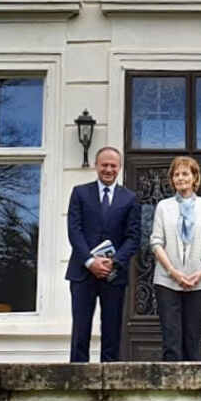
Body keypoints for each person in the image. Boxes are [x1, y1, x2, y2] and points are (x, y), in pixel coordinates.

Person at [65, 146, 140, 362]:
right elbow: (74, 230)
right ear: (96, 166)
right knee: (80, 329)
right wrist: (90, 261)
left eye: (113, 166)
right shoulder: (80, 193)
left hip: (113, 275)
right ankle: (78, 379)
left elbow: (133, 237)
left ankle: (109, 385)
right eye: (104, 165)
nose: (108, 169)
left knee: (112, 330)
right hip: (82, 273)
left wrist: (113, 262)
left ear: (119, 168)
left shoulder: (130, 198)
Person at [149, 155, 201, 362]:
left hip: (199, 281)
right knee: (171, 339)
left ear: (194, 177)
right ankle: (170, 390)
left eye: (185, 173)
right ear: (172, 179)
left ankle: (192, 389)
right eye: (176, 174)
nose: (181, 178)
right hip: (166, 280)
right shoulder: (163, 206)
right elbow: (156, 241)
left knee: (192, 337)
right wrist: (173, 271)